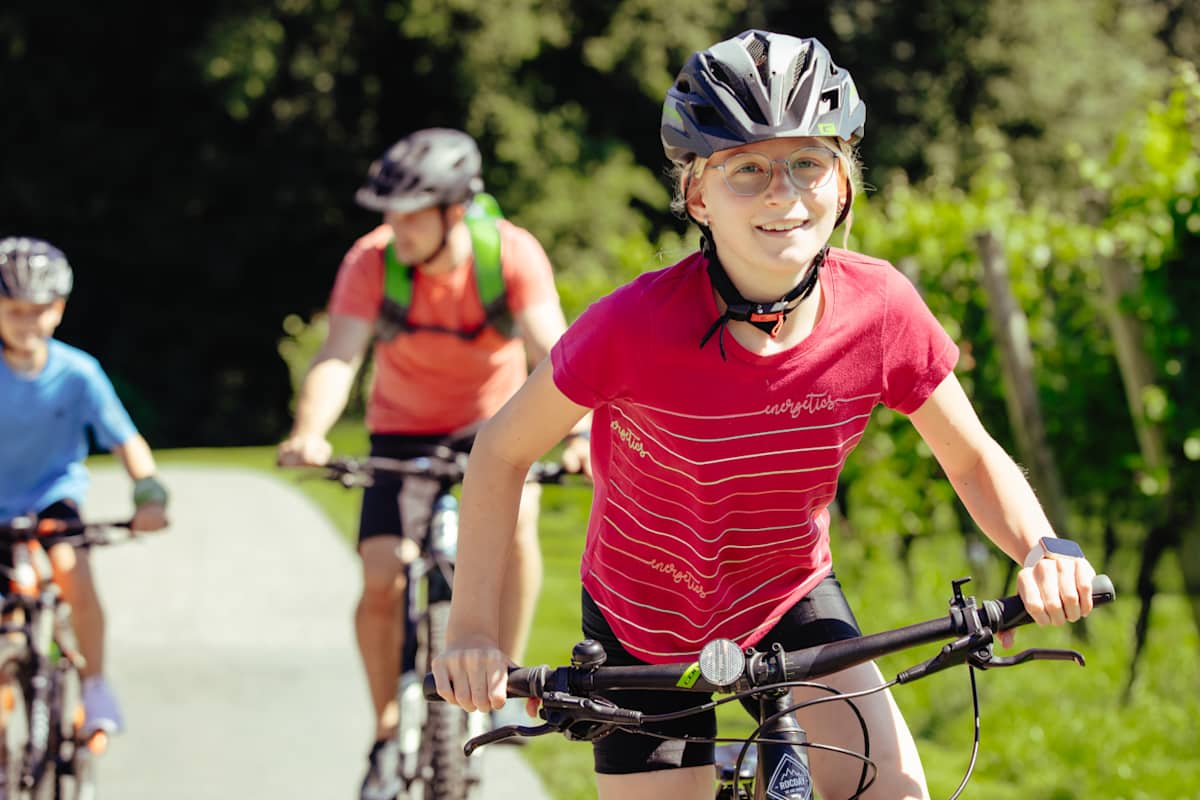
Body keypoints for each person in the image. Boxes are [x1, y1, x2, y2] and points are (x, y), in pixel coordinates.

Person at [431, 30, 1097, 800]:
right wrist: (475, 630)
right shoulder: (630, 326)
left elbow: (971, 457)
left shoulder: (880, 310)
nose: (783, 194)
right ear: (697, 197)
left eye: (808, 163)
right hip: (642, 620)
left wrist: (1042, 548)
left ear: (843, 184)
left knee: (894, 792)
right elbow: (502, 452)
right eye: (746, 169)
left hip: (788, 598)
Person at [275, 127, 590, 800]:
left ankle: (503, 671)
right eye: (391, 213)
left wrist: (580, 433)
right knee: (383, 572)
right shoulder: (372, 261)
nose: (398, 228)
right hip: (401, 433)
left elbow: (554, 351)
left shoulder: (508, 254)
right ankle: (388, 729)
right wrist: (310, 431)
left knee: (521, 521)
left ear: (456, 210)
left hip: (493, 427)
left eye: (414, 213)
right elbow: (339, 355)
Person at [0, 236, 170, 737]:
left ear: (59, 310)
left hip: (53, 496)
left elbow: (126, 440)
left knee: (73, 570)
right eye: (15, 311)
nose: (28, 323)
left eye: (40, 311)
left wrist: (150, 492)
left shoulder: (78, 372)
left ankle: (95, 684)